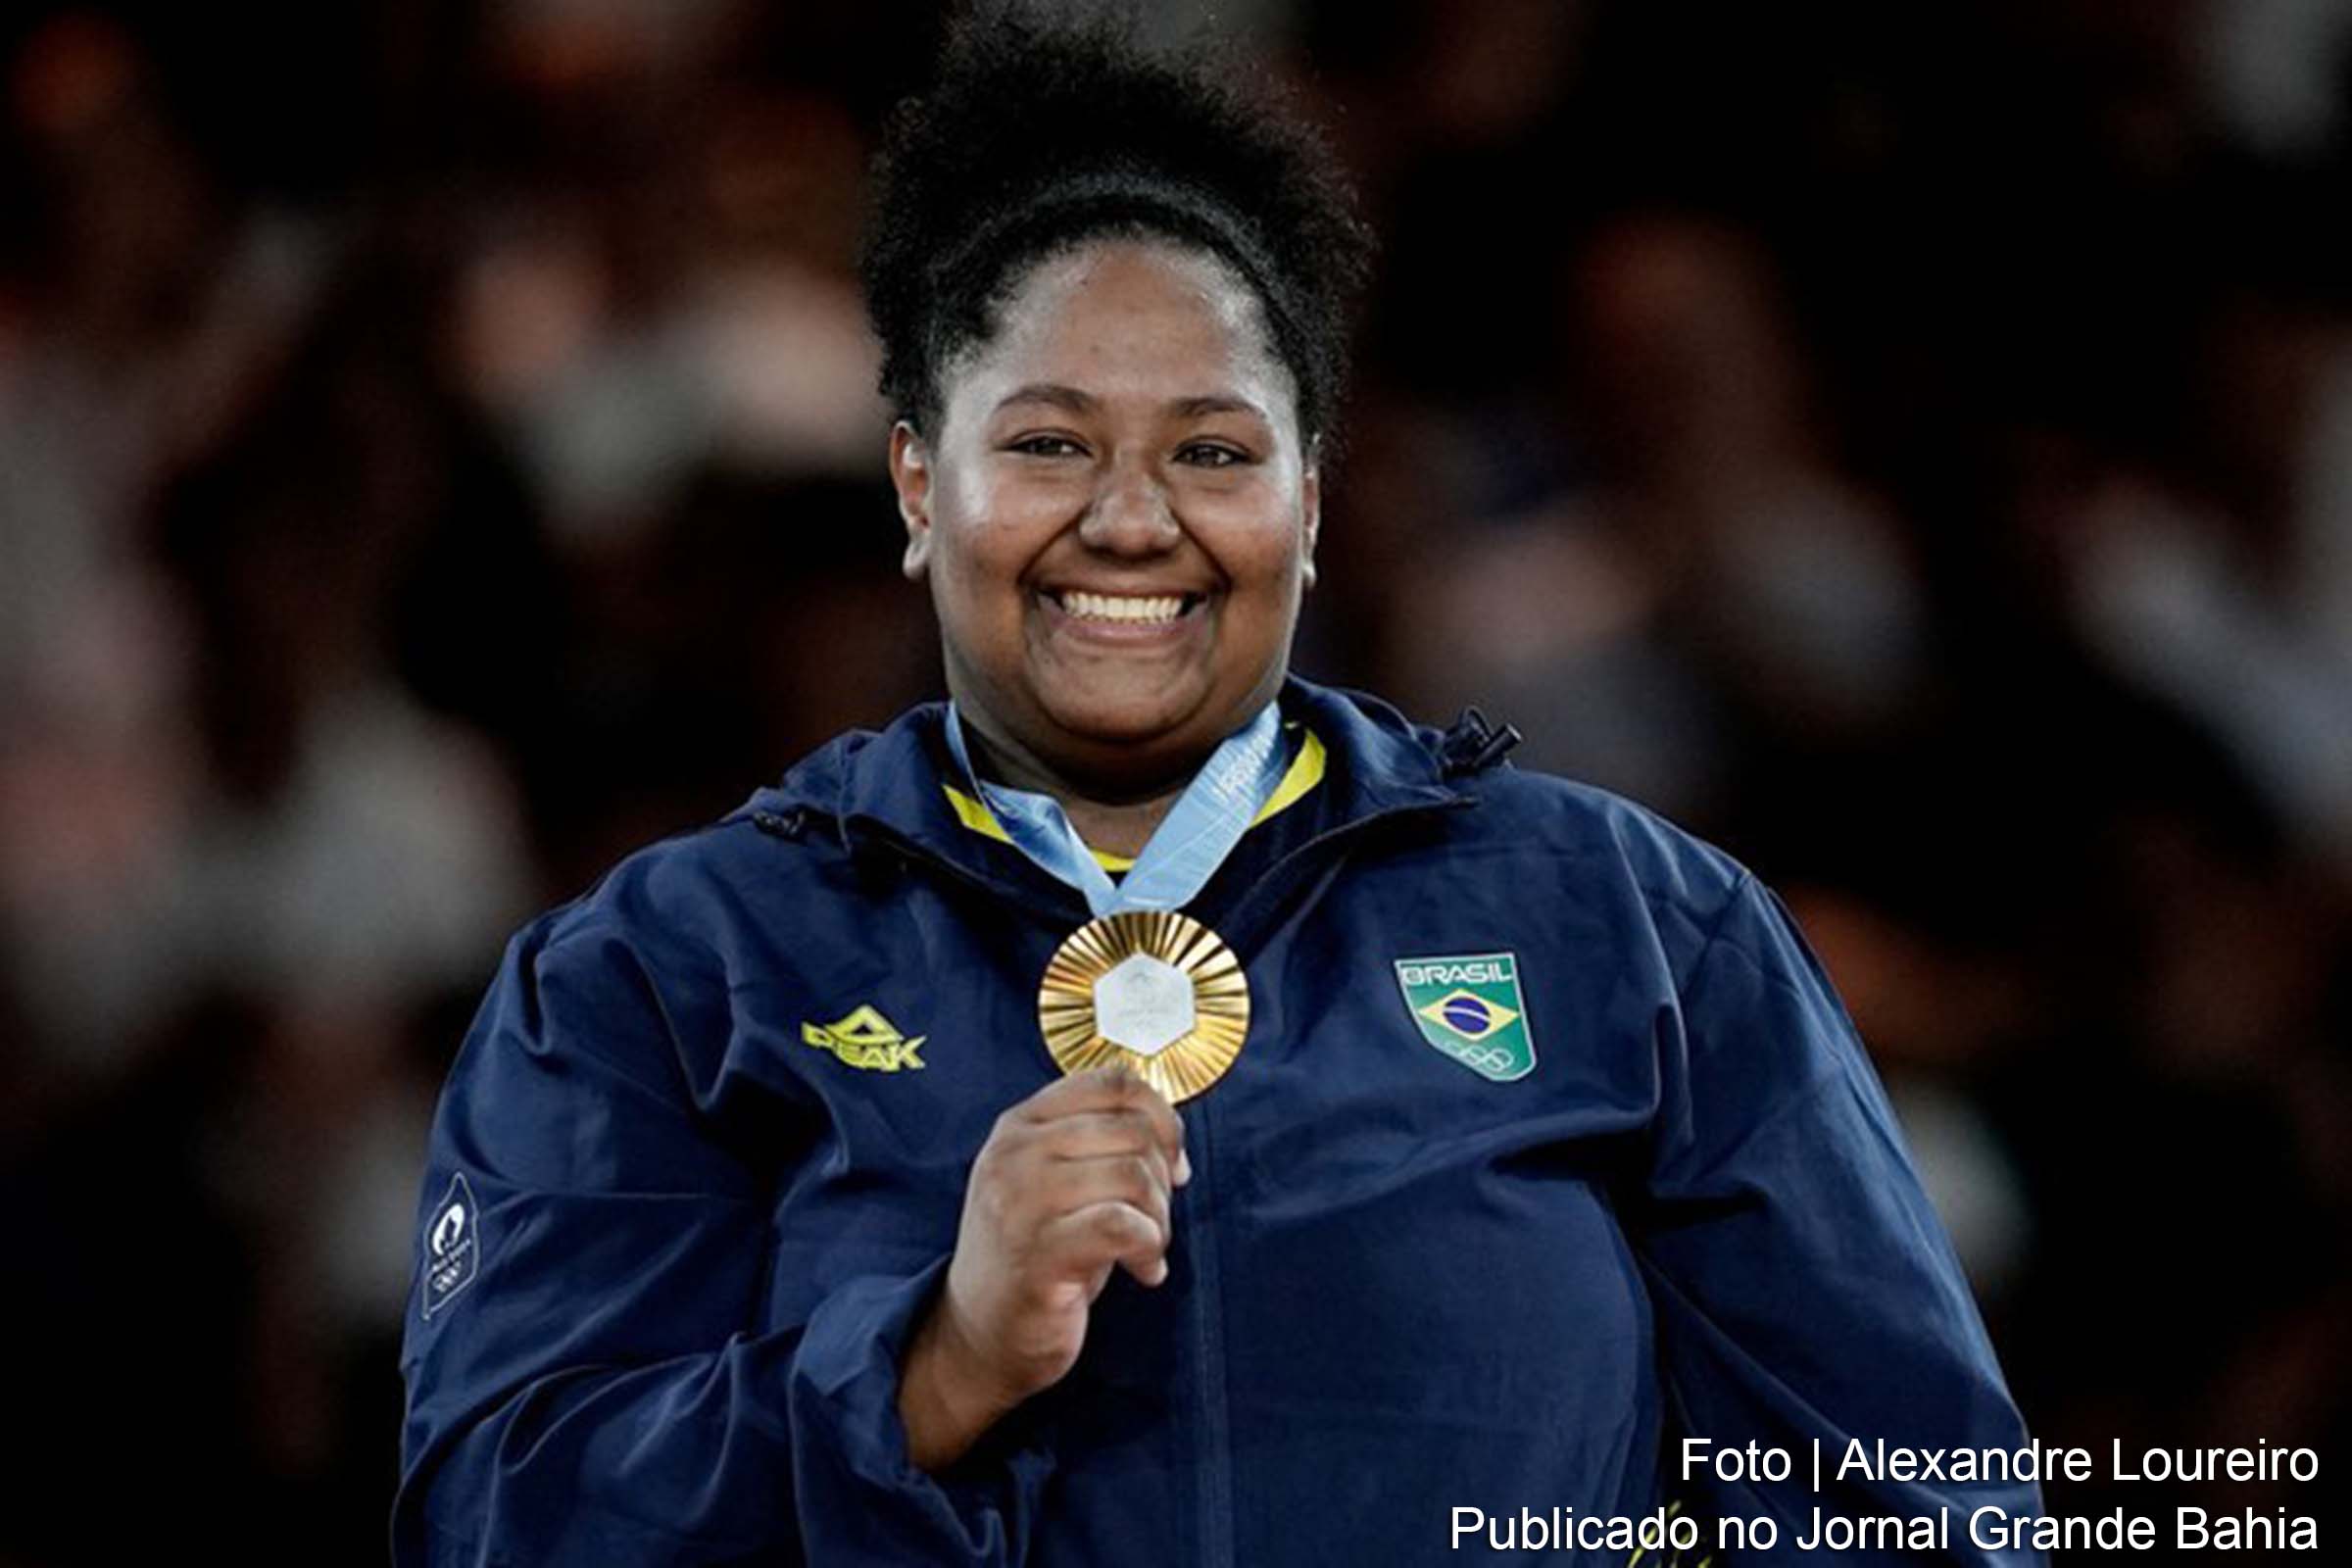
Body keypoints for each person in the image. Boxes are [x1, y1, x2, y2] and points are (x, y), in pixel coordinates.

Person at [395, 10, 2044, 1564]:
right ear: (917, 480)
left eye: (1214, 449)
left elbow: (1928, 1508)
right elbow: (502, 1524)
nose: (1131, 521)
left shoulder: (1640, 934)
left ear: (1312, 499)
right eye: (1046, 444)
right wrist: (925, 1370)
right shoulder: (662, 978)